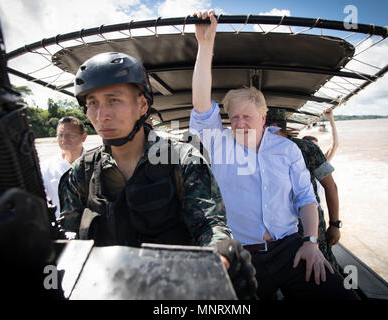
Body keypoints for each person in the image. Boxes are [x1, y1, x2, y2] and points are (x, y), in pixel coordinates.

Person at [57, 51, 257, 299]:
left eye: (114, 100)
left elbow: (209, 224)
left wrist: (220, 257)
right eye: (92, 103)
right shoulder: (82, 171)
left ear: (142, 105)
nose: (101, 115)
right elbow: (68, 238)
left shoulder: (182, 159)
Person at [189, 10, 359, 300]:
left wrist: (311, 243)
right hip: (244, 255)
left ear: (264, 117)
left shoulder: (287, 149)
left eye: (248, 116)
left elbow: (306, 199)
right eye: (235, 117)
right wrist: (205, 45)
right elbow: (202, 102)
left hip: (291, 248)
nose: (240, 123)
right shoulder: (219, 144)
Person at [266, 109, 341, 270]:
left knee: (321, 269)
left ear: (273, 127)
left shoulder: (306, 149)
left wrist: (335, 224)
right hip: (277, 230)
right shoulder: (256, 150)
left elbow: (330, 186)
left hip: (309, 226)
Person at [41, 116, 87, 218]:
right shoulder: (46, 168)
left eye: (70, 135)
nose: (64, 139)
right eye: (60, 135)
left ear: (83, 137)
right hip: (62, 229)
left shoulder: (95, 162)